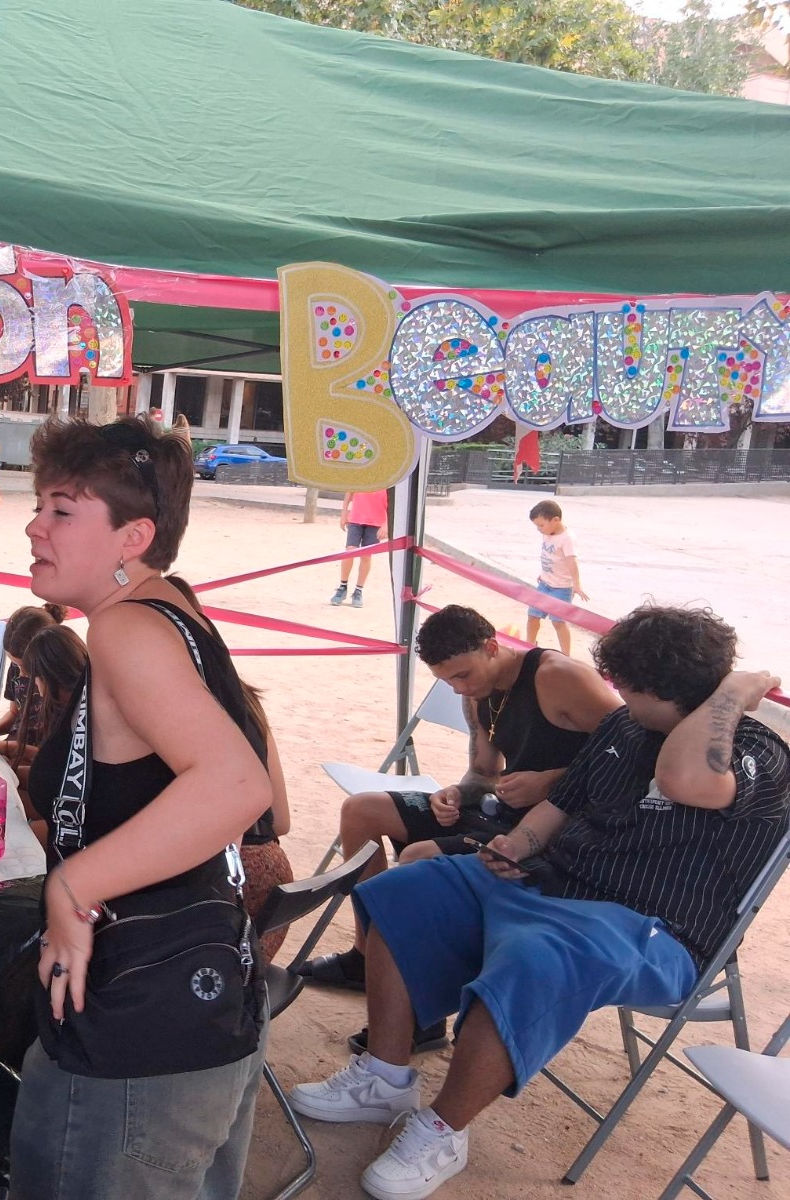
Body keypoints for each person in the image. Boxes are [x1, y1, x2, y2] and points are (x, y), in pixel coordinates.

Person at [288, 605, 787, 1200]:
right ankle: (385, 1078)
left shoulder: (755, 751)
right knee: (402, 892)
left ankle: (442, 1129)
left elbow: (684, 779)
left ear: (665, 689)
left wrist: (732, 691)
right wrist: (517, 845)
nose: (619, 695)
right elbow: (564, 803)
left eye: (628, 686)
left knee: (534, 957)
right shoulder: (626, 726)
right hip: (553, 881)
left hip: (651, 926)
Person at [10, 416, 274, 1200]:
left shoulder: (127, 627)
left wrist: (72, 887)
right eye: (40, 506)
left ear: (135, 536)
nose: (34, 526)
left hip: (139, 1026)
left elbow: (239, 787)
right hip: (197, 998)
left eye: (62, 510)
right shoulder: (173, 613)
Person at [295, 605, 620, 1052]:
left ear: (492, 647)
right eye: (448, 681)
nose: (459, 688)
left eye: (463, 675)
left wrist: (550, 781)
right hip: (500, 812)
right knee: (362, 810)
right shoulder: (476, 691)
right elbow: (483, 774)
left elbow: (631, 754)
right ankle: (366, 959)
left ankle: (422, 1010)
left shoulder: (557, 676)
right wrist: (453, 793)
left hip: (554, 829)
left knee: (418, 857)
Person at [164, 574, 297, 963]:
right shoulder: (246, 697)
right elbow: (281, 820)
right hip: (272, 876)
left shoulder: (173, 709)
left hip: (221, 889)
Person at [0, 623, 87, 819]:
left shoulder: (80, 718)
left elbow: (51, 783)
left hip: (66, 815)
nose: (34, 685)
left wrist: (7, 771)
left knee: (0, 800)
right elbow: (50, 768)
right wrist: (6, 766)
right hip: (59, 801)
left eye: (34, 678)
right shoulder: (77, 703)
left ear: (48, 677)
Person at [0, 602, 68, 744]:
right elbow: (15, 712)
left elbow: (55, 750)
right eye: (16, 664)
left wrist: (5, 747)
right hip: (14, 746)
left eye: (26, 667)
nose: (21, 674)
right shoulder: (17, 667)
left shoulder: (64, 683)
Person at [525, 499, 587, 654]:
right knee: (532, 615)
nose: (539, 530)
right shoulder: (547, 533)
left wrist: (577, 584)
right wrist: (544, 572)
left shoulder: (567, 539)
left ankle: (566, 654)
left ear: (556, 520)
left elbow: (571, 562)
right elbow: (550, 556)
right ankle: (528, 646)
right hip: (544, 584)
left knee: (558, 622)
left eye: (541, 525)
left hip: (562, 588)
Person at [331, 489, 389, 608]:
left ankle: (358, 590)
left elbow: (393, 504)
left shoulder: (387, 482)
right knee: (349, 552)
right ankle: (342, 586)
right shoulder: (358, 478)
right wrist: (344, 515)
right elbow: (348, 494)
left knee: (366, 556)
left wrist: (386, 525)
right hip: (356, 519)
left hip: (376, 522)